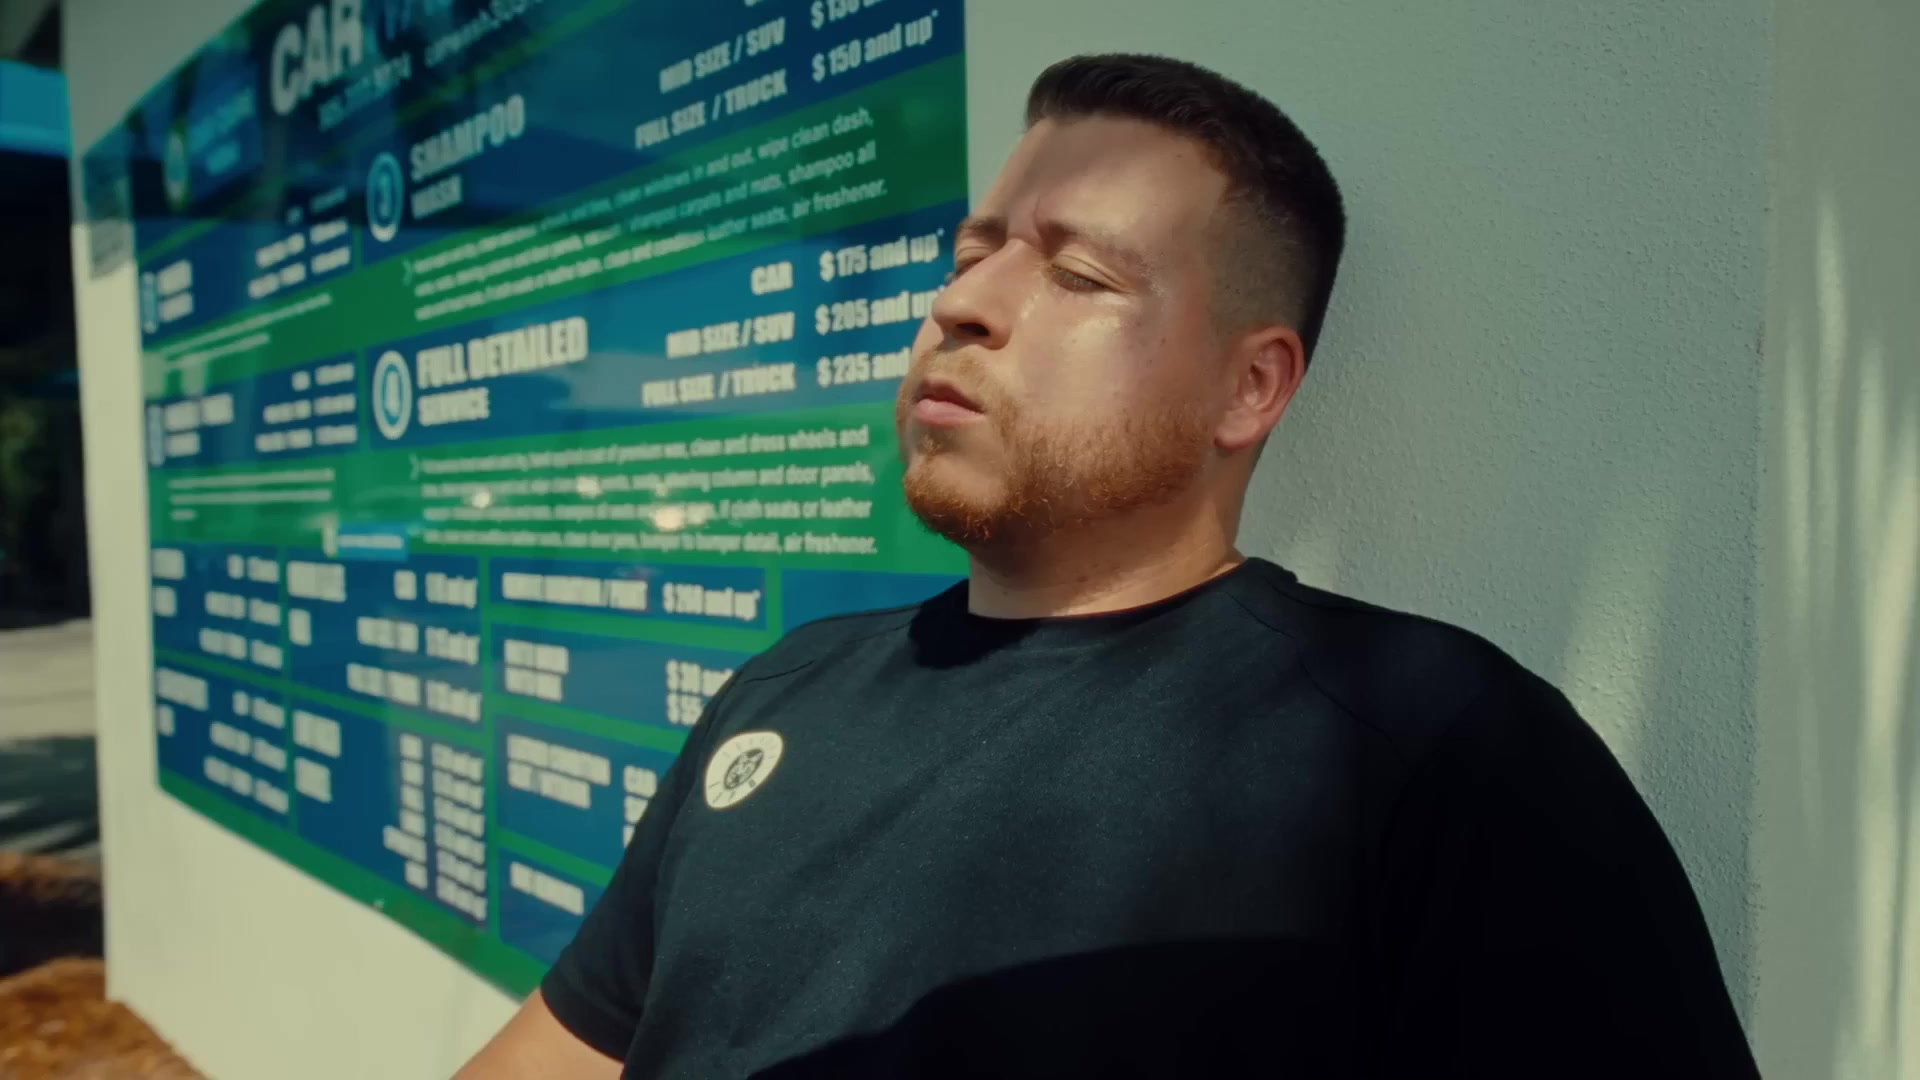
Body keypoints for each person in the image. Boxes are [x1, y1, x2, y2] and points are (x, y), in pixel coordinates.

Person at [458, 54, 1760, 1079]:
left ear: (1250, 388)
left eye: (1079, 275)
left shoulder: (1436, 758)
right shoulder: (783, 693)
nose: (962, 304)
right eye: (972, 253)